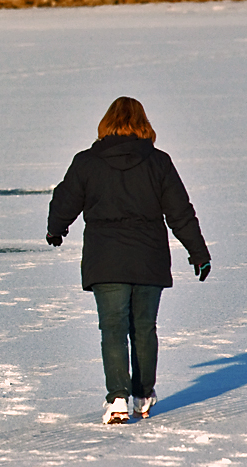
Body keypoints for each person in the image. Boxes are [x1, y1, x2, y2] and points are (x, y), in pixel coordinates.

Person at [46, 96, 211, 424]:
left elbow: (65, 199)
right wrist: (198, 252)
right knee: (144, 328)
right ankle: (142, 395)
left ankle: (118, 398)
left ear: (107, 123)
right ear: (143, 123)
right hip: (148, 257)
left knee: (113, 327)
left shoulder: (87, 162)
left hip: (105, 259)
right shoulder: (159, 162)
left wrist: (56, 228)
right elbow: (180, 212)